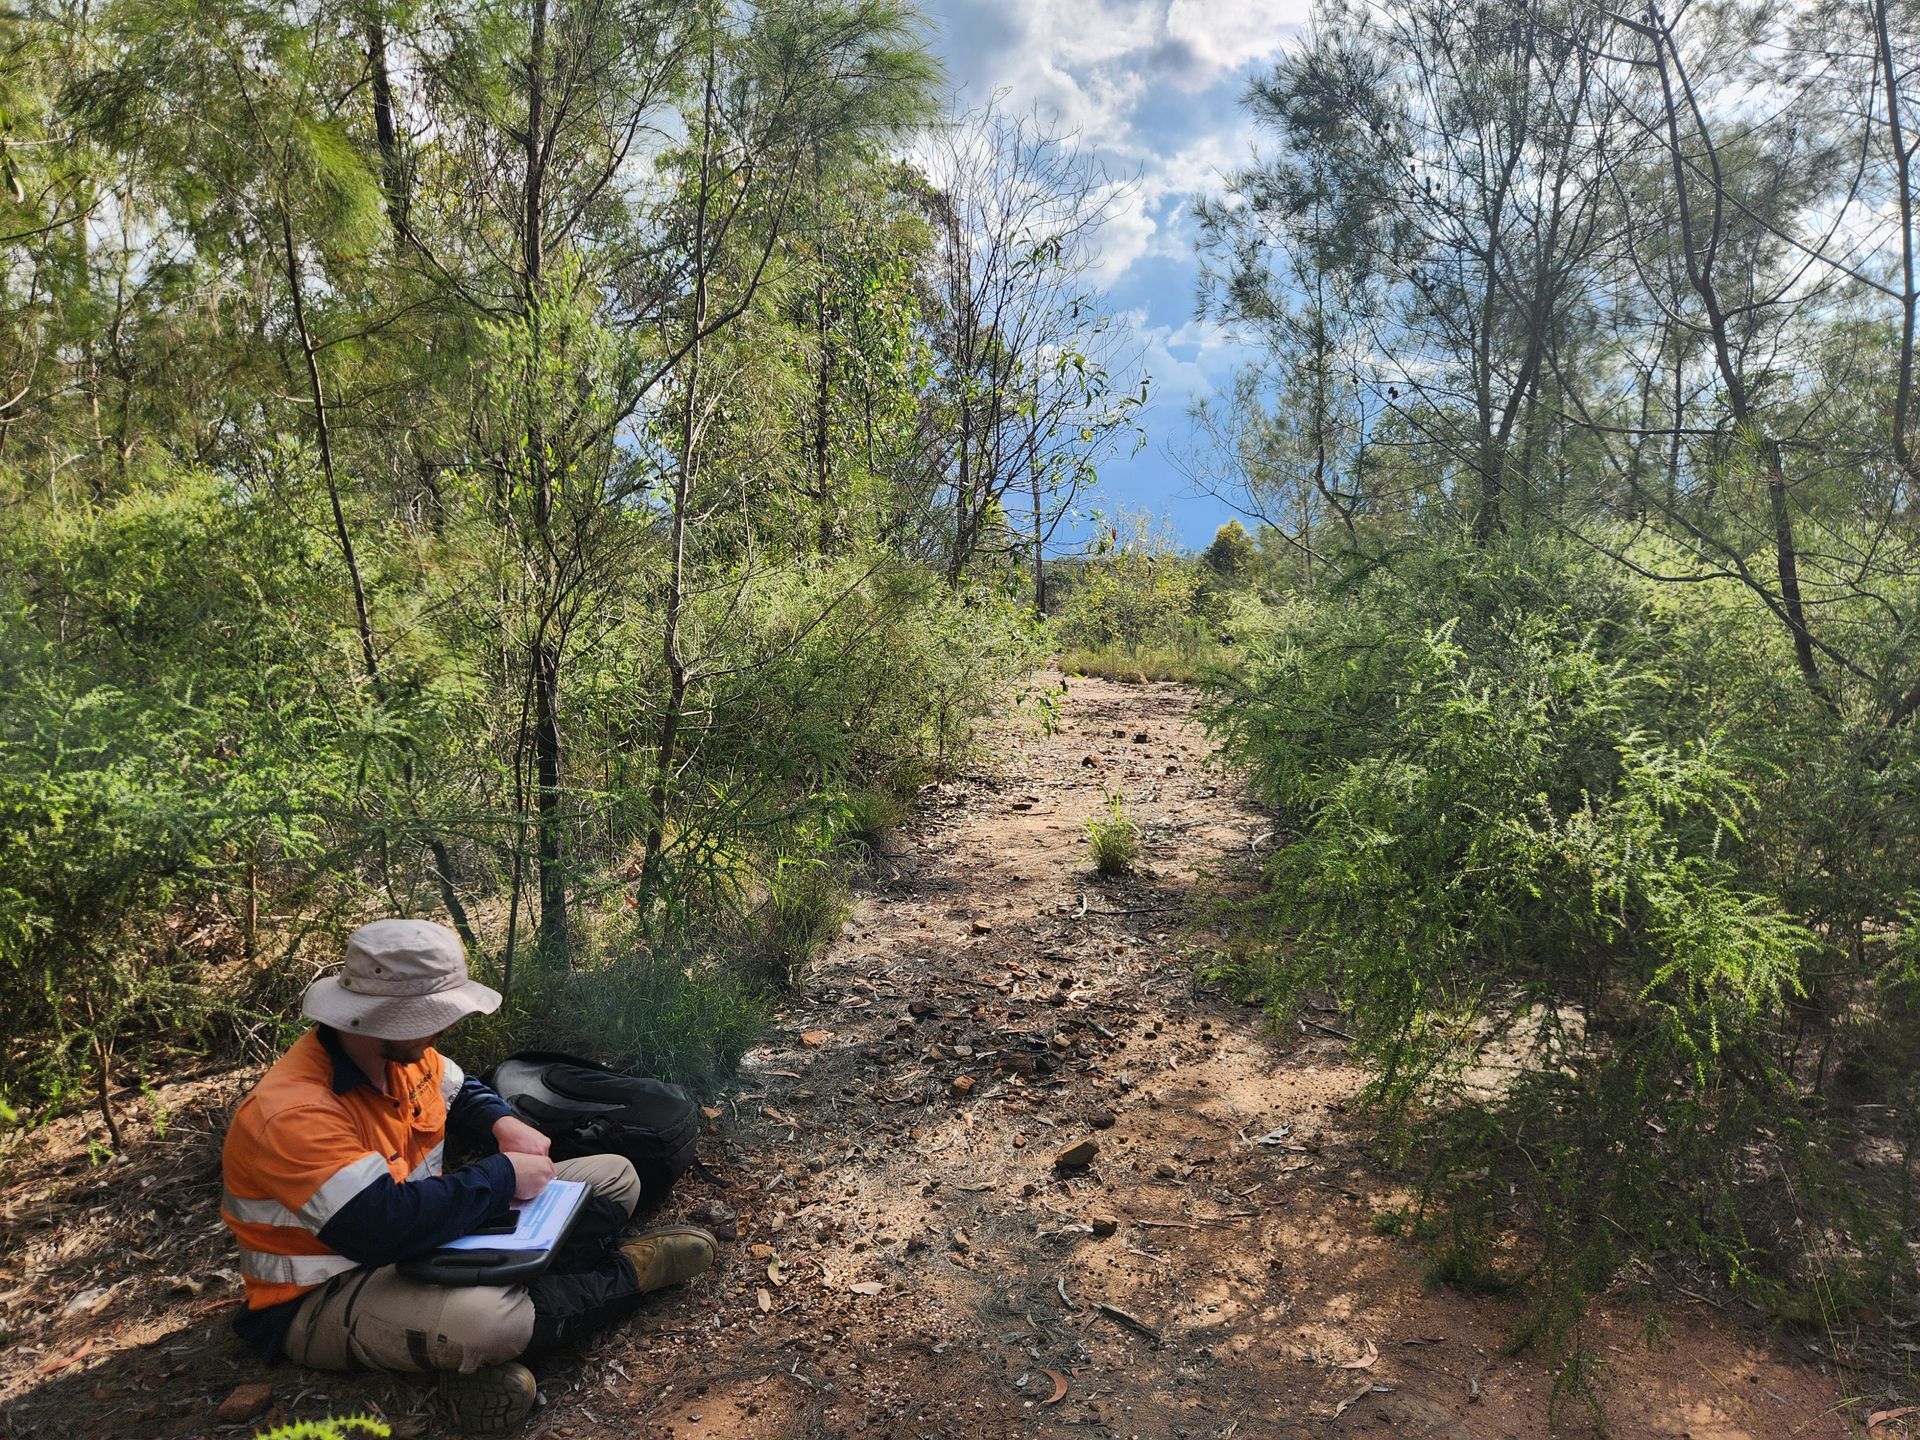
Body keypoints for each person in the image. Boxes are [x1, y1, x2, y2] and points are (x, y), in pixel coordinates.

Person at [221, 919, 716, 1431]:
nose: (448, 1025)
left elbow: (460, 1090)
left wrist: (504, 1123)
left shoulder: (398, 1052)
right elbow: (379, 1228)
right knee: (488, 1323)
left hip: (426, 1237)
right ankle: (623, 1278)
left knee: (614, 1176)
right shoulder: (293, 1112)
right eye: (435, 1015)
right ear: (383, 1017)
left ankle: (516, 1318)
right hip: (329, 1289)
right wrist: (502, 1177)